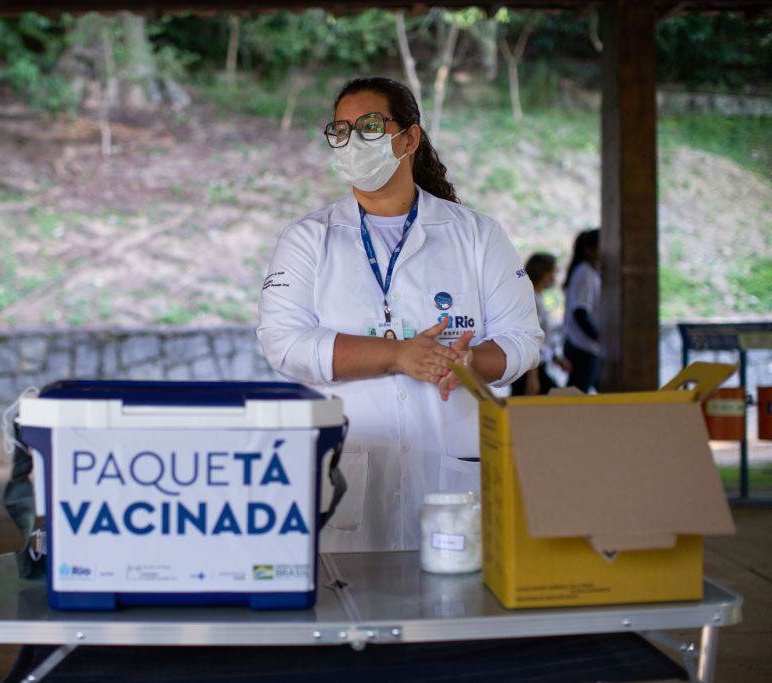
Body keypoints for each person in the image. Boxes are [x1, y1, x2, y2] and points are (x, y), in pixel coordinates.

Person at [257, 76, 542, 552]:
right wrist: (397, 356)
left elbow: (523, 339)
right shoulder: (308, 238)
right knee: (350, 607)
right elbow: (283, 342)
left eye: (370, 125)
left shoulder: (476, 234)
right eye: (341, 131)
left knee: (457, 604)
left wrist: (468, 366)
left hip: (453, 475)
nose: (353, 142)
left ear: (408, 138)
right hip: (350, 469)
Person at [510, 253, 570, 396]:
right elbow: (529, 338)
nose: (554, 278)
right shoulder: (530, 299)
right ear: (542, 273)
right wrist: (533, 377)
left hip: (536, 366)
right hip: (530, 369)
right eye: (552, 272)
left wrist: (555, 357)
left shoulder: (536, 297)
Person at [562, 228, 602, 392]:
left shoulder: (591, 272)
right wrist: (597, 336)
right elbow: (580, 312)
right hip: (582, 346)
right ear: (589, 250)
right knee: (576, 394)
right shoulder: (584, 273)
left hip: (587, 346)